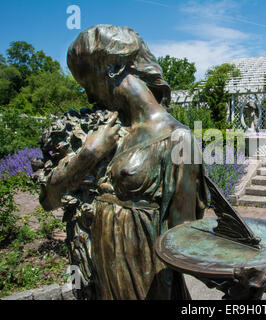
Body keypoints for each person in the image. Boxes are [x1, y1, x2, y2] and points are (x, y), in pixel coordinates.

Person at [39, 24, 208, 300]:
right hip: (102, 279)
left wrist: (237, 273)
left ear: (114, 68)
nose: (90, 97)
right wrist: (87, 157)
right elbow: (49, 200)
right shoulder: (106, 130)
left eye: (88, 83)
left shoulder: (179, 140)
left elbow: (184, 240)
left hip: (146, 281)